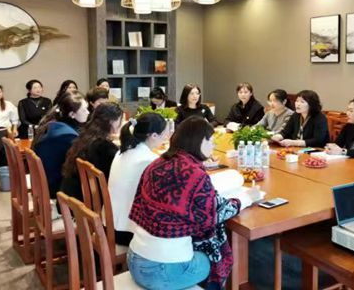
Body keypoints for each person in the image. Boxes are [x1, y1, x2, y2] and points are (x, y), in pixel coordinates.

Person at [128, 116, 260, 290]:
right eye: (211, 140)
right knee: (212, 258)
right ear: (199, 141)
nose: (213, 145)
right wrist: (247, 198)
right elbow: (214, 214)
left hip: (134, 259)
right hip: (164, 271)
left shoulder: (156, 164)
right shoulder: (194, 174)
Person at [108, 113, 169, 246]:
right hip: (126, 232)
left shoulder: (123, 150)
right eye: (164, 134)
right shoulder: (149, 160)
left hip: (109, 222)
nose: (166, 137)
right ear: (153, 135)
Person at [60, 102, 123, 201]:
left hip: (70, 196)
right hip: (85, 201)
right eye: (120, 120)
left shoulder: (84, 136)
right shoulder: (105, 148)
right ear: (112, 121)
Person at [32, 91, 89, 198]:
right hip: (56, 187)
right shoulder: (67, 136)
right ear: (72, 114)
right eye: (84, 109)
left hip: (45, 180)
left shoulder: (54, 125)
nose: (88, 112)